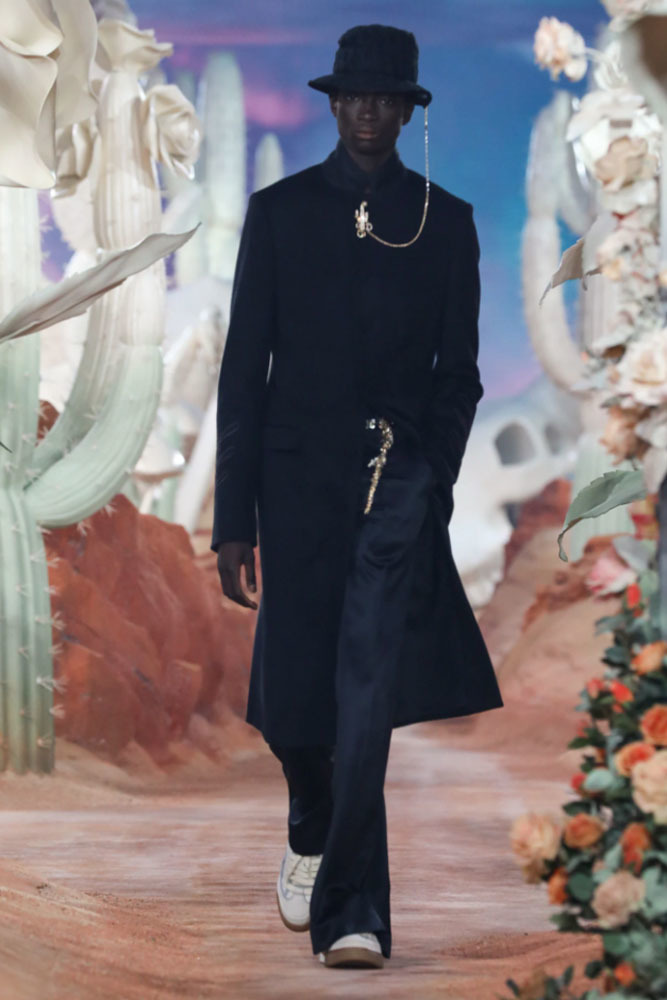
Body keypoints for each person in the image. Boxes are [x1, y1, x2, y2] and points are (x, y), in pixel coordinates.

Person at [212, 23, 504, 970]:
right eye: (354, 96)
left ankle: (353, 914)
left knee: (362, 698)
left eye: (386, 98)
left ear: (408, 111)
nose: (369, 111)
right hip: (293, 486)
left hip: (397, 486)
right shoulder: (280, 212)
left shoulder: (445, 221)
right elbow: (243, 372)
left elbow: (459, 373)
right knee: (295, 701)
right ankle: (308, 815)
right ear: (333, 105)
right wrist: (232, 518)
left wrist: (431, 475)